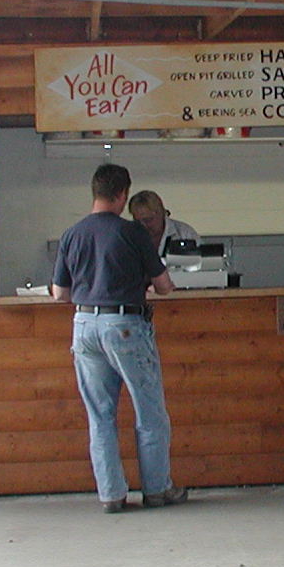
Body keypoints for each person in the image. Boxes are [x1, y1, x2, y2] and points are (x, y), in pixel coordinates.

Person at [51, 164, 187, 514]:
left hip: (83, 324)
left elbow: (59, 293)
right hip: (125, 324)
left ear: (94, 192)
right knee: (149, 411)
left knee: (100, 415)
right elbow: (164, 286)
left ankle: (111, 494)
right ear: (123, 195)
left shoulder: (71, 233)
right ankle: (157, 489)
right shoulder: (132, 233)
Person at [128, 190, 199, 252]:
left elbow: (204, 262)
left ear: (162, 213)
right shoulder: (129, 239)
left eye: (148, 220)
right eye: (137, 222)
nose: (143, 226)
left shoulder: (185, 234)